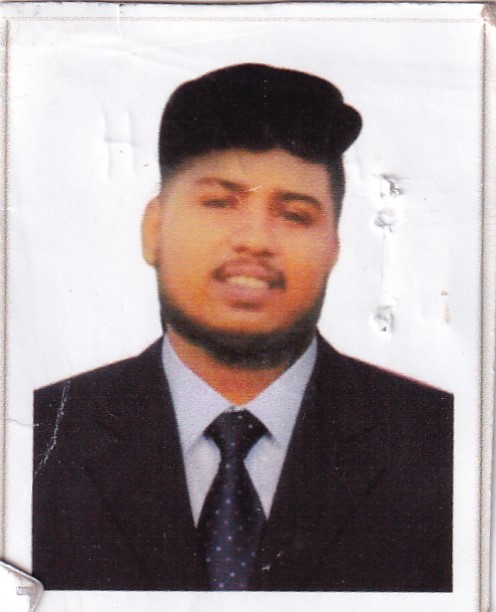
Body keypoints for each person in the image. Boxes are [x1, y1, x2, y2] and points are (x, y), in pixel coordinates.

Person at [32, 63, 453, 592]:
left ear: (334, 247)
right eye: (219, 202)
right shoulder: (40, 437)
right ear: (154, 229)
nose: (255, 239)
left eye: (295, 214)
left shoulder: (443, 443)